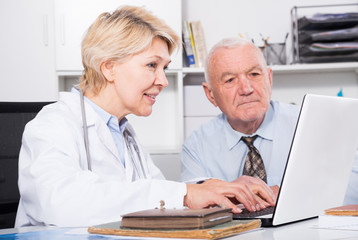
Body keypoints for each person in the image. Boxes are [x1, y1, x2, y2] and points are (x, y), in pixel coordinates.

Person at [15, 7, 276, 228]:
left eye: (164, 68)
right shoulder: (52, 124)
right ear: (109, 67)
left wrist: (221, 191)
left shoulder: (124, 133)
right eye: (152, 65)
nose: (162, 81)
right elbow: (61, 203)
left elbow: (162, 200)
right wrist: (186, 194)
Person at [180, 37, 358, 205]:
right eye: (230, 80)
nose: (246, 89)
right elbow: (191, 207)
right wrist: (231, 195)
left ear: (269, 78)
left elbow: (353, 188)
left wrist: (291, 195)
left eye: (255, 74)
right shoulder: (197, 146)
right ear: (210, 94)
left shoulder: (312, 124)